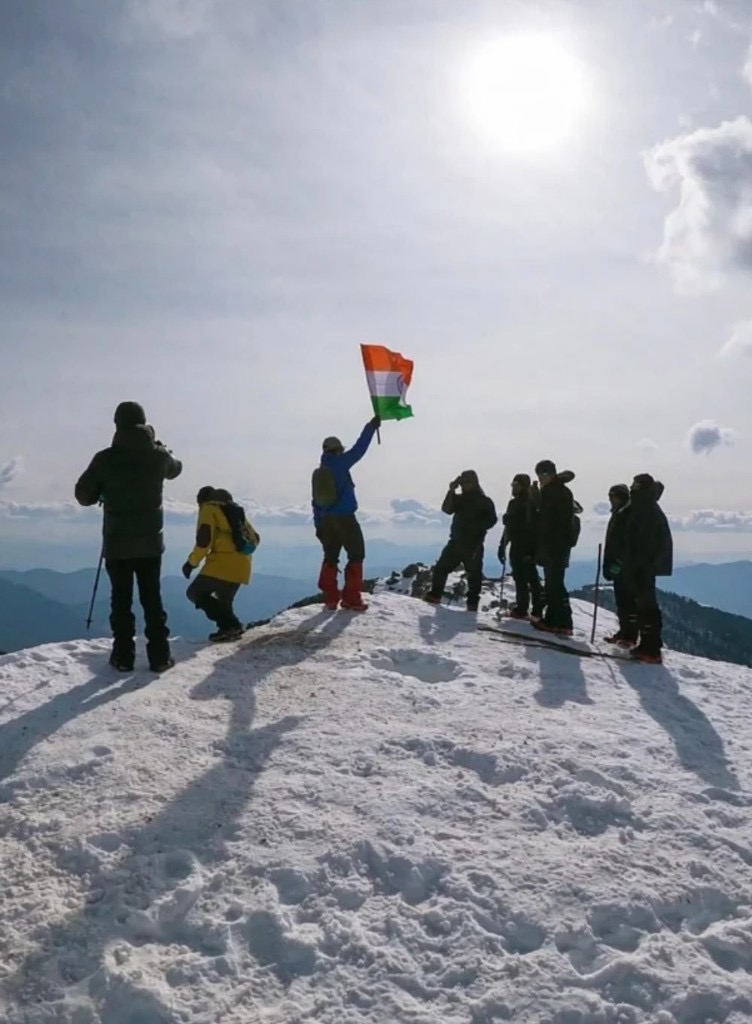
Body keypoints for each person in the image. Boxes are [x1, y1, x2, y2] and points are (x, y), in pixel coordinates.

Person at [75, 401, 182, 672]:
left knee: (120, 600)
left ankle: (123, 657)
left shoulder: (105, 459)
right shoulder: (158, 456)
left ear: (116, 424)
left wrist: (102, 489)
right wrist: (162, 448)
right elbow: (176, 468)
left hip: (117, 542)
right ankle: (159, 657)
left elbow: (82, 495)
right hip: (150, 544)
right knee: (152, 598)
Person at [312, 416, 381, 611]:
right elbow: (359, 449)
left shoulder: (319, 472)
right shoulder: (340, 464)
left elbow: (315, 503)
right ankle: (351, 598)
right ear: (338, 450)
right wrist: (371, 427)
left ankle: (331, 598)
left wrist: (318, 526)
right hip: (345, 520)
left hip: (325, 521)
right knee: (356, 555)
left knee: (330, 557)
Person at [182, 487, 260, 642]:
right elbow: (256, 538)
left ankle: (231, 625)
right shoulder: (235, 512)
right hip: (243, 565)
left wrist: (191, 563)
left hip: (222, 564)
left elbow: (204, 541)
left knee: (195, 592)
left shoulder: (209, 510)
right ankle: (229, 630)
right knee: (224, 601)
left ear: (202, 500)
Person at [424, 471, 498, 612]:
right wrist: (451, 490)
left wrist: (476, 527)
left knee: (474, 574)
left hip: (473, 544)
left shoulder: (484, 501)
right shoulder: (460, 499)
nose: (464, 486)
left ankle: (472, 603)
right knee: (442, 568)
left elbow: (492, 520)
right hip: (457, 541)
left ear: (474, 483)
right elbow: (446, 509)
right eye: (463, 483)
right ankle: (436, 595)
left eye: (467, 482)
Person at [622, 473, 673, 663]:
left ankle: (650, 648)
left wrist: (638, 563)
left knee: (647, 605)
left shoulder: (645, 508)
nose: (631, 487)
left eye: (634, 484)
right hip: (643, 565)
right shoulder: (646, 506)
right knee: (645, 605)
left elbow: (643, 540)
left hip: (642, 566)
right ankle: (649, 645)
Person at [533, 459, 575, 635]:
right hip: (558, 545)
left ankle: (554, 621)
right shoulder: (560, 491)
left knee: (554, 584)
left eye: (542, 475)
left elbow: (548, 521)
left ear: (548, 474)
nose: (540, 478)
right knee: (555, 583)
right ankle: (563, 621)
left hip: (554, 545)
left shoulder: (553, 493)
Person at [498, 473, 542, 620]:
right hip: (520, 546)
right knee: (524, 578)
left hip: (524, 546)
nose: (513, 487)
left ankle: (526, 609)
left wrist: (504, 543)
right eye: (513, 484)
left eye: (516, 485)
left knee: (527, 579)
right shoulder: (520, 503)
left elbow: (528, 527)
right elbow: (510, 528)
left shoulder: (528, 504)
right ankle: (531, 609)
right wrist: (502, 545)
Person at [601, 483, 637, 646]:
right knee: (622, 600)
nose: (610, 499)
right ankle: (625, 632)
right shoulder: (620, 513)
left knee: (627, 601)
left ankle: (629, 634)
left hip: (624, 565)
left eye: (612, 496)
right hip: (620, 563)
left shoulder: (626, 514)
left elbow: (626, 543)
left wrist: (618, 563)